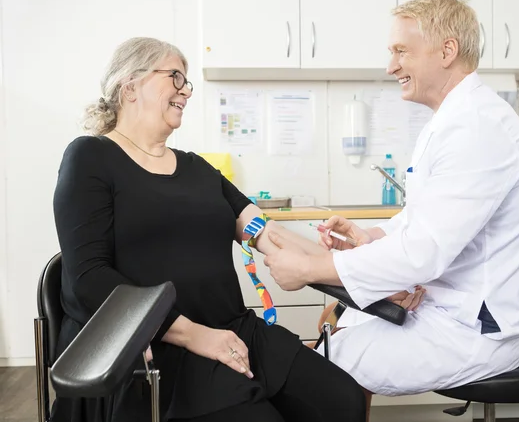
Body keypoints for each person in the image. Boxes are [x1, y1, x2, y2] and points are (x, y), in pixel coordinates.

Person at [52, 36, 367, 422]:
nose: (185, 91)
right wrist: (194, 335)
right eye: (175, 78)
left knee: (343, 400)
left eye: (187, 82)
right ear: (129, 85)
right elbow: (88, 277)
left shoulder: (198, 168)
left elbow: (268, 234)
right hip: (161, 345)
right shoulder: (91, 157)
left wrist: (360, 267)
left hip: (234, 330)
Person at [263, 0, 519, 404]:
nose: (390, 65)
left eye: (401, 51)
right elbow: (424, 219)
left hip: (476, 330)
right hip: (450, 309)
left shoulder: (477, 128)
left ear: (447, 50)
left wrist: (311, 268)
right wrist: (371, 236)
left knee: (316, 364)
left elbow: (424, 252)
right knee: (339, 323)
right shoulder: (454, 120)